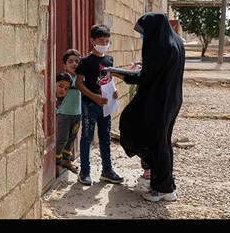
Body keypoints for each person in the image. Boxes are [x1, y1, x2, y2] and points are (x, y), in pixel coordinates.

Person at [112, 12, 185, 202]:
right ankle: (167, 184)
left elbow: (145, 78)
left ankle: (162, 189)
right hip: (172, 99)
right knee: (163, 142)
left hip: (159, 101)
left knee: (156, 143)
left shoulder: (161, 47)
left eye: (144, 33)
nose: (143, 37)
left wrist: (119, 74)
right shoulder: (175, 42)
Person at [75, 23, 123, 185]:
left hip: (106, 105)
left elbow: (109, 78)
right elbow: (79, 84)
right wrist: (94, 97)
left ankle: (107, 171)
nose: (104, 43)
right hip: (90, 105)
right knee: (87, 138)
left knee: (105, 138)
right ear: (92, 41)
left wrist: (114, 91)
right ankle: (84, 172)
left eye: (106, 40)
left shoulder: (109, 59)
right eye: (101, 40)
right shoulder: (86, 61)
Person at [55, 49, 82, 178]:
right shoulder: (64, 78)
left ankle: (67, 160)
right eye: (70, 61)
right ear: (64, 65)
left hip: (77, 114)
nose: (74, 64)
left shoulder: (81, 78)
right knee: (62, 138)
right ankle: (56, 163)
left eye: (77, 61)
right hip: (64, 113)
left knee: (71, 138)